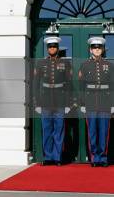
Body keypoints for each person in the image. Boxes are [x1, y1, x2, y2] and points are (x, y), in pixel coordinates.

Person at [32, 36, 72, 166]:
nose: (52, 48)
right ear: (47, 48)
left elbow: (69, 85)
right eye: (50, 46)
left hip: (60, 101)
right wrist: (36, 103)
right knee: (47, 130)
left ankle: (57, 157)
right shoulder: (40, 63)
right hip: (45, 101)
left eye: (54, 46)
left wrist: (68, 103)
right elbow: (36, 84)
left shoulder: (65, 63)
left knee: (59, 130)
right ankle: (48, 157)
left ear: (58, 48)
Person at [79, 36, 114, 167]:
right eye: (94, 47)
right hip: (90, 103)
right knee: (92, 131)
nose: (97, 49)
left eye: (99, 47)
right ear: (90, 50)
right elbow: (82, 86)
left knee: (104, 132)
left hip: (105, 103)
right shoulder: (85, 65)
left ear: (103, 49)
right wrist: (82, 104)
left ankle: (103, 158)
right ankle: (95, 158)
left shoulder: (109, 65)